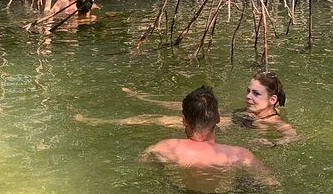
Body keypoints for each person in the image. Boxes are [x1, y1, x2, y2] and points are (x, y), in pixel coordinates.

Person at [76, 71, 297, 147]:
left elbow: (293, 136)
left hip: (223, 126)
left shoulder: (273, 121)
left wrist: (271, 143)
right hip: (227, 118)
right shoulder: (252, 111)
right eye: (248, 91)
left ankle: (103, 122)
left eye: (256, 93)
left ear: (272, 99)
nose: (248, 96)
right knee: (185, 104)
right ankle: (142, 97)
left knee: (158, 119)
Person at [142, 86, 278, 192]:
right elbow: (272, 183)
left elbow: (144, 169)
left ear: (184, 120)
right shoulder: (239, 155)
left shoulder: (163, 148)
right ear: (218, 117)